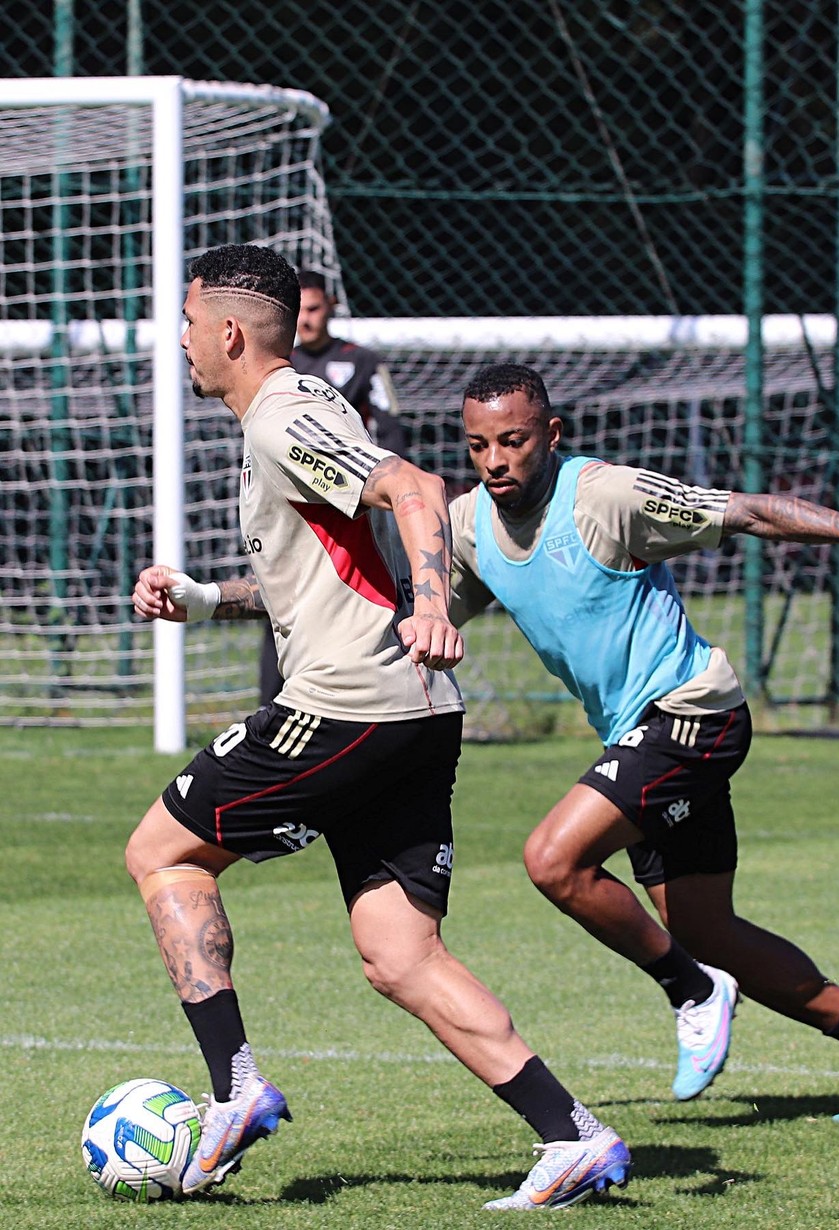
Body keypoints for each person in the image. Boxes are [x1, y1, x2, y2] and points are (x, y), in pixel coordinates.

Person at [126, 246, 632, 1210]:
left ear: (229, 331)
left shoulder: (285, 417)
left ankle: (233, 1088)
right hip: (411, 714)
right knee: (400, 953)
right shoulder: (299, 413)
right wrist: (202, 598)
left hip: (346, 706)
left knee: (162, 853)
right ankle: (572, 1136)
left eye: (187, 323)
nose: (182, 341)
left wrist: (435, 600)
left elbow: (415, 488)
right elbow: (324, 583)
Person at [448, 362, 839, 1123]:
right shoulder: (469, 525)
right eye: (478, 445)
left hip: (694, 712)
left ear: (551, 434)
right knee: (704, 926)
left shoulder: (605, 495)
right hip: (638, 731)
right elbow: (412, 609)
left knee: (553, 860)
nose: (496, 461)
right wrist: (227, 602)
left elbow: (752, 513)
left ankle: (689, 988)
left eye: (514, 441)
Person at [259, 267, 406, 706]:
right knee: (279, 603)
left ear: (332, 308)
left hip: (352, 511)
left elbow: (392, 428)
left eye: (315, 308)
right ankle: (272, 706)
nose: (306, 319)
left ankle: (376, 696)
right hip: (294, 510)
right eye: (299, 310)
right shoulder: (280, 367)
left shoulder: (362, 362)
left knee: (360, 602)